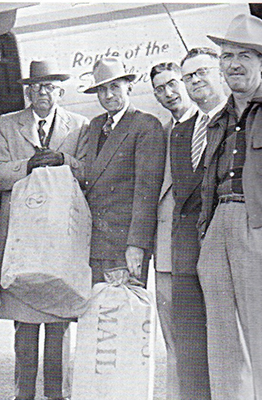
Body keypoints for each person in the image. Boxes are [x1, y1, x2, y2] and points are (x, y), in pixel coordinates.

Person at [0, 60, 89, 400]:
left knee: (59, 320)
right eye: (35, 87)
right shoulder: (7, 125)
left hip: (60, 238)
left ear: (61, 91)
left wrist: (66, 162)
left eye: (49, 86)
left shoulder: (79, 126)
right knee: (25, 323)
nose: (41, 92)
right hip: (22, 239)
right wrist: (27, 165)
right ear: (27, 91)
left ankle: (57, 395)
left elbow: (89, 172)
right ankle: (24, 394)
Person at [198, 14, 262, 399]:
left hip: (256, 225)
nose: (234, 64)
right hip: (218, 223)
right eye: (226, 55)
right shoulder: (219, 119)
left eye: (245, 55)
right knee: (221, 338)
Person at [165, 47, 227, 400]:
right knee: (190, 343)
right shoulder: (181, 130)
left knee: (231, 340)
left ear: (219, 72)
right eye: (189, 76)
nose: (195, 81)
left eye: (202, 72)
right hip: (187, 250)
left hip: (227, 245)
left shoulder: (240, 118)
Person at [82, 57, 166, 285]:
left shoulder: (146, 126)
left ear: (129, 86)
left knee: (124, 314)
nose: (108, 95)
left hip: (123, 246)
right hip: (94, 243)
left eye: (114, 87)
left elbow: (146, 192)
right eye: (101, 89)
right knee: (97, 314)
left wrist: (137, 245)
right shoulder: (96, 125)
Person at [150, 61, 197, 400]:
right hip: (168, 254)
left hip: (208, 250)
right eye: (159, 89)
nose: (167, 93)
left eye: (172, 84)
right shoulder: (162, 134)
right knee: (175, 339)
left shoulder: (214, 124)